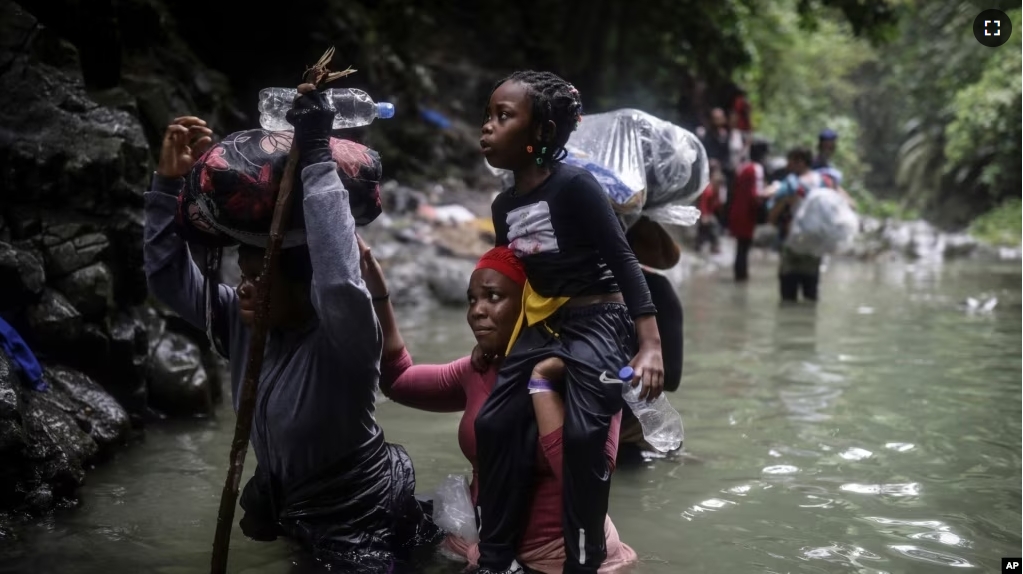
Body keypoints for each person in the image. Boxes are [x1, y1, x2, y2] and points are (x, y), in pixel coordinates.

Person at [143, 96, 438, 571]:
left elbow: (340, 280)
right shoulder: (242, 327)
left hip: (361, 514)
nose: (244, 286)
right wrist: (166, 186)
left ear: (305, 289)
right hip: (293, 502)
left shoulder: (345, 341)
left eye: (261, 277)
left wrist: (319, 157)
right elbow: (166, 279)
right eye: (243, 272)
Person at [476, 70, 664, 574]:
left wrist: (649, 345)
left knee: (584, 436)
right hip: (546, 322)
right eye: (489, 115)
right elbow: (514, 279)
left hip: (602, 319)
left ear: (538, 134)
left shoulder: (576, 186)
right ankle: (495, 556)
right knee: (493, 422)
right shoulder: (505, 204)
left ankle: (584, 559)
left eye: (503, 116)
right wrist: (496, 340)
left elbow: (624, 261)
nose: (487, 127)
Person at [360, 241, 638, 573]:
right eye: (472, 299)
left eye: (494, 297)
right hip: (487, 551)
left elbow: (586, 481)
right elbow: (398, 382)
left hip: (563, 559)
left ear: (531, 305)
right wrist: (379, 295)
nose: (477, 310)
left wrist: (542, 382)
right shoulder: (477, 370)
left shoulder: (586, 372)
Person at [767, 147, 829, 302]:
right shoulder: (823, 182)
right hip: (814, 246)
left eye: (790, 162)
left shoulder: (790, 184)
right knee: (811, 295)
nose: (788, 166)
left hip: (792, 245)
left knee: (788, 298)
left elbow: (772, 218)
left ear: (800, 162)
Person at [728, 140, 770, 282]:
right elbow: (756, 195)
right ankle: (741, 278)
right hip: (747, 214)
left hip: (736, 211)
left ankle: (739, 277)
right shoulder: (756, 168)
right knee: (744, 248)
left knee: (740, 248)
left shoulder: (743, 167)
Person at [695, 159, 724, 255]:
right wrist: (704, 215)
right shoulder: (709, 190)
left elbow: (717, 205)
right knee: (708, 228)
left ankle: (713, 246)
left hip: (709, 213)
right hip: (704, 214)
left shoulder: (716, 190)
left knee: (712, 228)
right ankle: (701, 246)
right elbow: (703, 204)